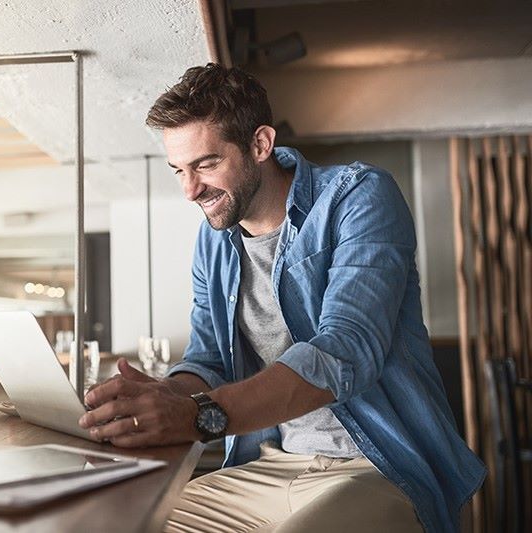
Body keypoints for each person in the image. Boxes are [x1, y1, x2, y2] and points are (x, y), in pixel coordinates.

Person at [78, 63, 484, 532]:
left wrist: (195, 416)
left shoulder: (359, 196)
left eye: (206, 164)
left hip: (374, 465)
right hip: (268, 464)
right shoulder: (214, 239)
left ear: (260, 144)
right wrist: (157, 396)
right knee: (124, 523)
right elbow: (207, 359)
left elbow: (346, 350)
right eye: (179, 171)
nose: (190, 190)